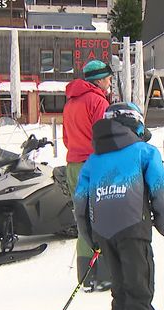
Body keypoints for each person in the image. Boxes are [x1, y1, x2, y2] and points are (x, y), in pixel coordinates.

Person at [73, 102, 164, 310]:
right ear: (136, 124)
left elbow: (80, 202)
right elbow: (159, 190)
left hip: (105, 234)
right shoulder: (144, 152)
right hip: (134, 232)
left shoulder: (94, 159)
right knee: (140, 296)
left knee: (120, 292)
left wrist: (90, 238)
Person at [63, 59, 113, 292]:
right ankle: (103, 274)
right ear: (99, 80)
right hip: (94, 163)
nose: (110, 82)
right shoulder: (98, 101)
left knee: (83, 218)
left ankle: (85, 275)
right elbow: (104, 137)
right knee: (102, 217)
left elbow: (65, 138)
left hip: (73, 164)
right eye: (108, 78)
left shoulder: (70, 103)